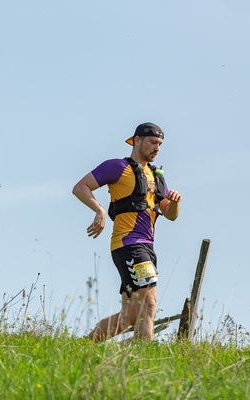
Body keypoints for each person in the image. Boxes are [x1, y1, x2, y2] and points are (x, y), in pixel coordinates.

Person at [72, 122, 182, 342]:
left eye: (160, 144)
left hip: (147, 247)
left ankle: (83, 348)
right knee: (149, 302)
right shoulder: (117, 166)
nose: (157, 148)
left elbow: (170, 215)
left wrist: (175, 202)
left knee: (130, 316)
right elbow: (80, 187)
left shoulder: (157, 176)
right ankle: (145, 351)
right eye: (153, 142)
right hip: (129, 245)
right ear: (137, 140)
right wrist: (100, 210)